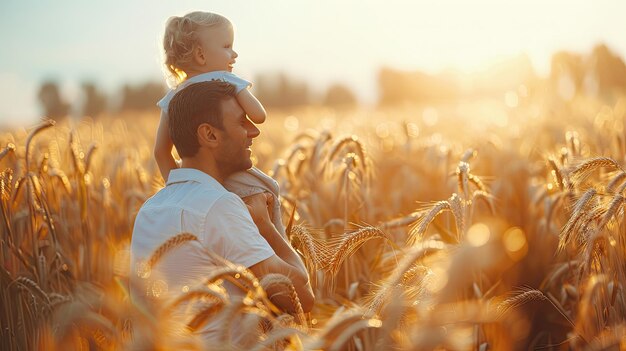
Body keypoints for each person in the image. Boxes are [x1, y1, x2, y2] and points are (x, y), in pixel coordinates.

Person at [130, 81, 314, 346]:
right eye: (242, 123)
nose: (254, 131)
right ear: (210, 135)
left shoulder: (148, 210)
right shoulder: (218, 206)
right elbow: (301, 298)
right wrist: (264, 224)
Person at [155, 11, 285, 236]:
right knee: (269, 191)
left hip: (197, 182)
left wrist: (180, 190)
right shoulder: (227, 81)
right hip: (233, 179)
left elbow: (160, 152)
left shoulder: (173, 97)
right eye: (227, 46)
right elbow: (259, 115)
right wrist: (237, 86)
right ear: (201, 55)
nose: (234, 54)